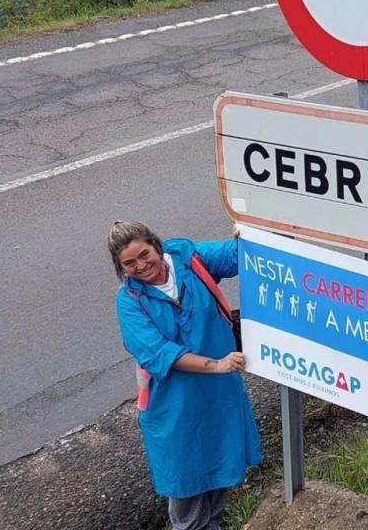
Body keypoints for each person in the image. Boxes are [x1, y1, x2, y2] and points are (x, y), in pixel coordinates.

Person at [108, 221, 262, 530]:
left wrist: (249, 234)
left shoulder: (189, 258)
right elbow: (157, 353)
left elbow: (236, 256)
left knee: (221, 470)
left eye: (144, 254)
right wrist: (216, 365)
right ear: (120, 268)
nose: (141, 266)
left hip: (219, 395)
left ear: (156, 245)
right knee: (186, 489)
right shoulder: (129, 301)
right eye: (129, 263)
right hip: (174, 406)